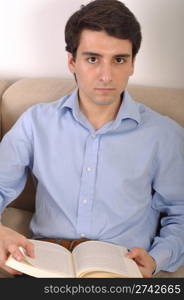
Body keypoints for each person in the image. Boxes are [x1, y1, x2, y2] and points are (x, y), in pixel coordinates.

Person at [0, 0, 184, 278]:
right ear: (72, 61)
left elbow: (181, 211)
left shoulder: (164, 133)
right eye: (93, 59)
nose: (106, 75)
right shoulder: (35, 122)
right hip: (45, 259)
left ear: (133, 63)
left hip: (120, 263)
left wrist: (157, 258)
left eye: (119, 59)